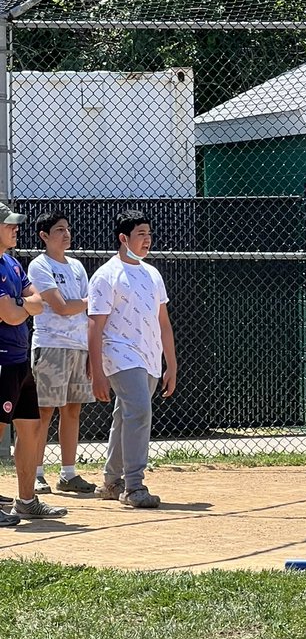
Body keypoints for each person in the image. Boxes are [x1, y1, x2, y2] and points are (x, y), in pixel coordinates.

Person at [87, 212, 177, 509]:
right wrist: (96, 370)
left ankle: (112, 482)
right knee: (139, 411)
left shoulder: (152, 274)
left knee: (125, 415)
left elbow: (163, 323)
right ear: (123, 239)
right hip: (119, 352)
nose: (147, 239)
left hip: (149, 356)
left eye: (149, 233)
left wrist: (171, 364)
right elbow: (95, 326)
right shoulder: (106, 275)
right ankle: (134, 486)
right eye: (140, 234)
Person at [0, 202, 69, 523]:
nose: (15, 229)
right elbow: (12, 314)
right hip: (2, 362)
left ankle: (26, 501)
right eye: (9, 225)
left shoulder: (12, 264)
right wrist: (23, 305)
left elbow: (38, 302)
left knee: (29, 430)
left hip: (19, 360)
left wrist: (21, 304)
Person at [28, 212, 96, 495]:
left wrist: (91, 351)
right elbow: (61, 306)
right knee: (43, 411)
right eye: (59, 230)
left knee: (72, 410)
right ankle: (35, 473)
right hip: (50, 345)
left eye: (67, 229)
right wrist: (84, 301)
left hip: (78, 346)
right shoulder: (39, 265)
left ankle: (68, 474)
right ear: (44, 236)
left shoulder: (78, 267)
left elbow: (81, 307)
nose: (66, 234)